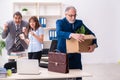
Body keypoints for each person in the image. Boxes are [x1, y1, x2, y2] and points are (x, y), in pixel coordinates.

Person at [56, 6, 98, 80]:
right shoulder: (60, 22)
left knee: (78, 76)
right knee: (63, 77)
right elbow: (59, 33)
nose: (73, 18)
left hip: (76, 57)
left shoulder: (79, 23)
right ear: (65, 14)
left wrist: (94, 45)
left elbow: (92, 35)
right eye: (71, 15)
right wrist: (72, 35)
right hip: (63, 55)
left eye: (75, 15)